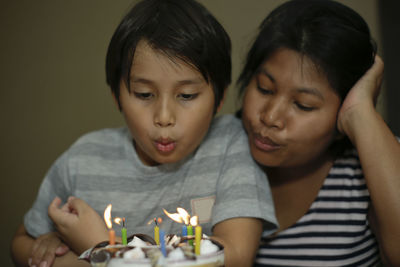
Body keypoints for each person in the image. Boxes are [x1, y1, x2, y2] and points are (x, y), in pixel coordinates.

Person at [11, 0, 278, 266]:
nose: (164, 117)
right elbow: (21, 244)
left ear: (219, 99)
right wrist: (52, 249)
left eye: (186, 95)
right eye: (144, 94)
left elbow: (235, 256)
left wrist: (102, 249)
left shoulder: (230, 145)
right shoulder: (83, 160)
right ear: (116, 95)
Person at [237, 0, 400, 266]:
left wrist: (361, 114)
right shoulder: (218, 147)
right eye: (265, 88)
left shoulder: (373, 161)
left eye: (303, 105)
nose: (270, 117)